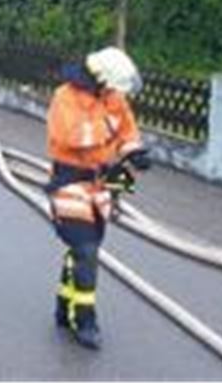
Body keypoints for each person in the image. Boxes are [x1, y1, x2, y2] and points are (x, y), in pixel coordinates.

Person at [45, 46, 149, 349]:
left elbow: (127, 133)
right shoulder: (65, 96)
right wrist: (109, 133)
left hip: (103, 185)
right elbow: (72, 136)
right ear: (100, 79)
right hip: (70, 184)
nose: (118, 95)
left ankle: (63, 308)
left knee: (85, 250)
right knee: (86, 250)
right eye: (114, 88)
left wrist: (136, 153)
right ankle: (85, 320)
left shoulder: (114, 97)